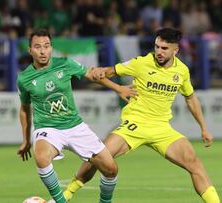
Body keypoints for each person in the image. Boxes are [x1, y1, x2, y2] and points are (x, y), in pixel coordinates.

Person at [64, 28, 221, 203]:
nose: (159, 52)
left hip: (162, 129)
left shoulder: (182, 71)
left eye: (164, 48)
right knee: (98, 156)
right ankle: (64, 196)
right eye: (157, 47)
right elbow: (109, 72)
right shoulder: (141, 62)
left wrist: (204, 128)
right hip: (134, 125)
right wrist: (102, 74)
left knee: (195, 164)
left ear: (175, 50)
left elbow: (191, 99)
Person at [16, 29, 136, 203]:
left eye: (47, 46)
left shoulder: (65, 63)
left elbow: (92, 75)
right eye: (37, 47)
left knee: (111, 170)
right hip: (47, 128)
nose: (43, 51)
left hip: (75, 126)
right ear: (30, 50)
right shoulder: (25, 78)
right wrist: (26, 140)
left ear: (51, 48)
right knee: (41, 158)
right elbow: (24, 109)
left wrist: (119, 89)